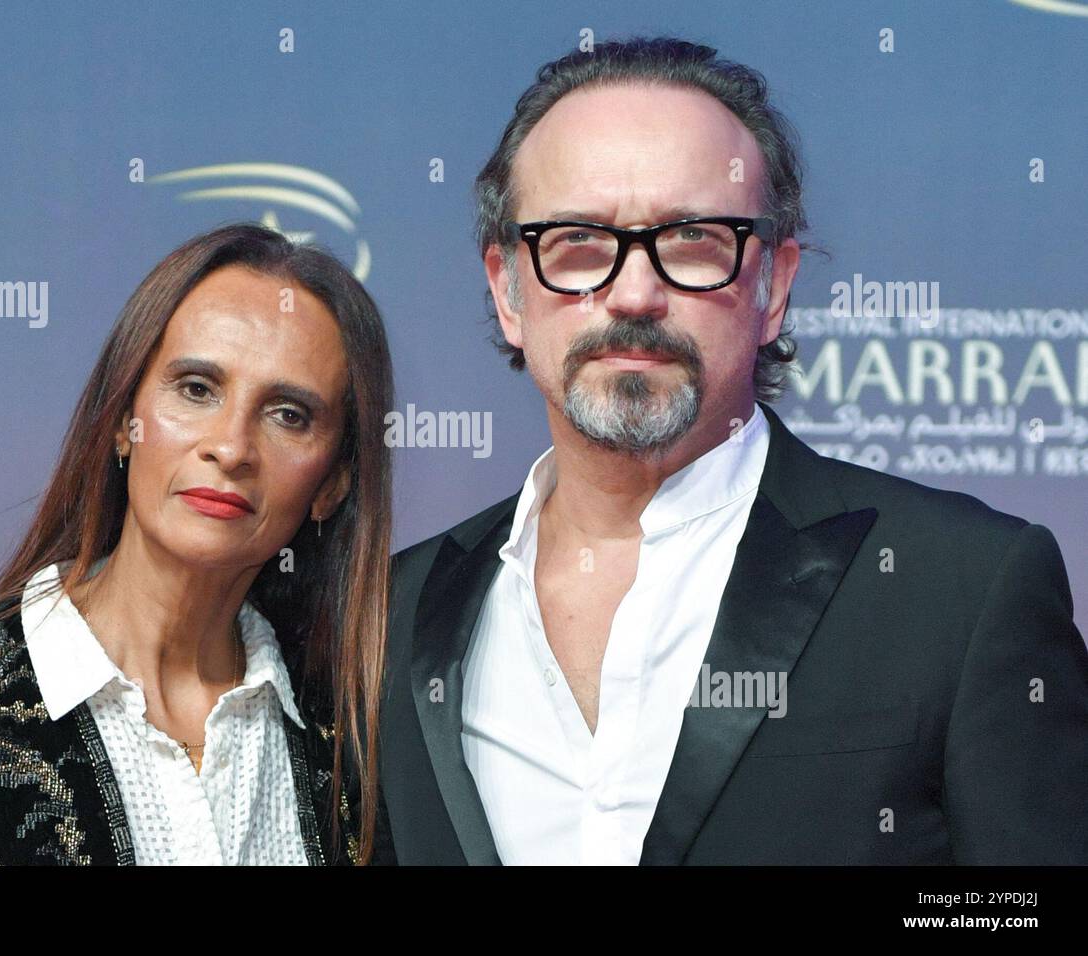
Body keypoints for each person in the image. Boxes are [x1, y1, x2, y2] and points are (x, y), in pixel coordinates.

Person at [377, 37, 1088, 864]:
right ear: (507, 291)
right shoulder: (393, 614)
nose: (635, 293)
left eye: (692, 242)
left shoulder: (962, 584)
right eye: (577, 243)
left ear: (774, 287)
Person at [0, 223, 394, 865]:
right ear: (121, 425)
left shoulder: (359, 750)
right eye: (196, 389)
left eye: (288, 415)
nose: (231, 446)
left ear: (332, 483)